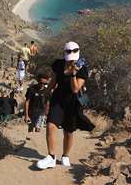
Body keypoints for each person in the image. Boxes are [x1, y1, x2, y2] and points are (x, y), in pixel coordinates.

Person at [36, 41, 93, 169]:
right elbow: (54, 79)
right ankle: (51, 157)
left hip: (72, 103)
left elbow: (75, 89)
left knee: (68, 132)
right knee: (50, 126)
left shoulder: (82, 69)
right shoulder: (59, 64)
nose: (70, 61)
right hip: (58, 99)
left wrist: (73, 73)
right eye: (68, 59)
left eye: (72, 59)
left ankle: (65, 155)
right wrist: (46, 92)